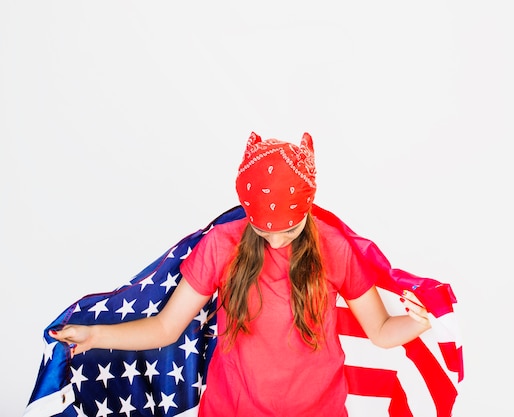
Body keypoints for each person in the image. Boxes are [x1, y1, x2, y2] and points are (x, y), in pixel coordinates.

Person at [49, 132, 431, 416]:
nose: (278, 241)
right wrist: (96, 334)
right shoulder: (220, 246)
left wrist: (422, 321)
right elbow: (166, 328)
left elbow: (380, 331)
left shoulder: (335, 249)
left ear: (308, 209)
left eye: (290, 229)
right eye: (266, 230)